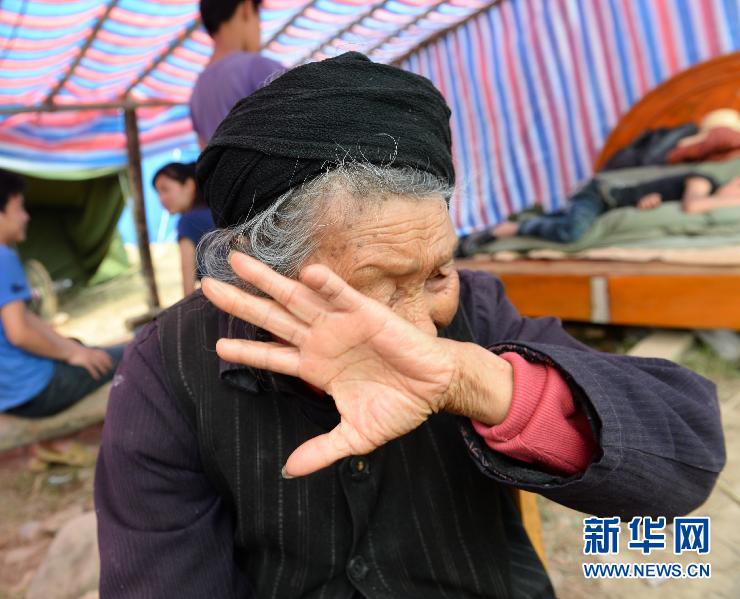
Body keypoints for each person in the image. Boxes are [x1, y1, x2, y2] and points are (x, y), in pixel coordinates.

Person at [95, 53, 724, 598]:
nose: (421, 326)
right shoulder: (167, 368)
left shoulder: (477, 311)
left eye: (437, 274)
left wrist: (476, 381)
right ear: (261, 275)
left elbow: (686, 456)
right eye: (378, 290)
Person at [0, 167, 123, 418]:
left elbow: (25, 319)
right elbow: (19, 333)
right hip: (35, 391)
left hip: (4, 395)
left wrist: (71, 347)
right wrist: (72, 353)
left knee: (86, 348)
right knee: (135, 354)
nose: (25, 217)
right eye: (19, 208)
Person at [458, 170, 735, 255]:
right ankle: (513, 228)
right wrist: (727, 201)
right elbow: (694, 205)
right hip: (599, 194)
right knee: (572, 232)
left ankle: (527, 219)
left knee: (565, 222)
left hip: (607, 208)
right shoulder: (703, 179)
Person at [190, 0, 284, 147]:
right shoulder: (258, 68)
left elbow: (204, 156)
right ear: (246, 8)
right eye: (258, 16)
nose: (259, 29)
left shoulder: (196, 93)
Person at [152, 162, 216, 296]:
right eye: (158, 193)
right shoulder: (214, 211)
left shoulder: (187, 222)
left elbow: (188, 287)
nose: (161, 199)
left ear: (189, 185)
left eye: (165, 190)